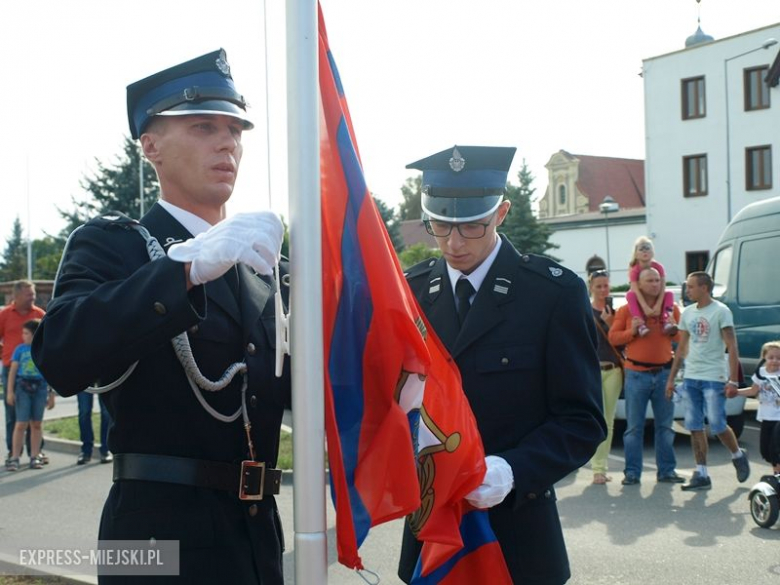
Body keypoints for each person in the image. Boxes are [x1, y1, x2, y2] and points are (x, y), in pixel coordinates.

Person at [32, 49, 290, 584]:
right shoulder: (115, 245)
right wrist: (184, 270)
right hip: (151, 538)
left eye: (235, 130)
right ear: (150, 146)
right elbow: (60, 354)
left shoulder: (264, 269)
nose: (227, 143)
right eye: (203, 127)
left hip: (255, 538)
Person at [397, 145, 606, 585]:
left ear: (502, 213)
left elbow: (582, 421)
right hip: (431, 534)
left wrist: (512, 470)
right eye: (440, 225)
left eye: (472, 225)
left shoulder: (551, 295)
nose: (454, 242)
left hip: (519, 535)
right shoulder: (409, 294)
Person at [667, 271, 749, 491]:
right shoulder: (688, 313)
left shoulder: (721, 311)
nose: (688, 290)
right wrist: (672, 379)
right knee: (694, 425)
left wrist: (733, 380)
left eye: (691, 286)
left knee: (717, 424)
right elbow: (681, 348)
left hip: (714, 377)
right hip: (692, 377)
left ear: (704, 288)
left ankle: (737, 455)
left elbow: (732, 346)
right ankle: (701, 473)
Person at [608, 267, 685, 485]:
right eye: (649, 280)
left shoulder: (670, 309)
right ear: (639, 285)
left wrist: (674, 330)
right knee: (634, 427)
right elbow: (613, 338)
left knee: (665, 426)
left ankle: (667, 471)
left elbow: (682, 338)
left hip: (664, 373)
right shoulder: (627, 310)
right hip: (636, 374)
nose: (654, 284)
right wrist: (632, 332)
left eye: (657, 280)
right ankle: (632, 473)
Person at [1, 280, 46, 465]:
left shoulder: (39, 315)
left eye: (33, 294)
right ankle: (14, 453)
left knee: (35, 419)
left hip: (36, 373)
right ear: (16, 296)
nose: (32, 297)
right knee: (13, 415)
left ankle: (36, 453)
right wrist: (5, 354)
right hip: (11, 369)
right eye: (29, 294)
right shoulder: (5, 315)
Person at [587, 269, 624, 485]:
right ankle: (595, 466)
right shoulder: (584, 310)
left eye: (606, 286)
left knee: (608, 421)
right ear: (591, 287)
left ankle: (599, 468)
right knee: (595, 418)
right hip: (591, 370)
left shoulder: (617, 312)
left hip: (613, 370)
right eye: (598, 286)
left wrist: (611, 323)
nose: (603, 290)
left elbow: (623, 342)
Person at [4, 320, 53, 471]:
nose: (23, 336)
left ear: (34, 334)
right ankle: (14, 457)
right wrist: (10, 392)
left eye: (26, 333)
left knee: (36, 424)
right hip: (22, 388)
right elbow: (12, 371)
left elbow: (49, 373)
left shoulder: (43, 350)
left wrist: (51, 394)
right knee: (21, 423)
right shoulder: (19, 350)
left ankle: (35, 456)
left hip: (40, 389)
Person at [736, 341, 780, 475]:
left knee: (776, 449)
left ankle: (777, 475)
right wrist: (735, 392)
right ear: (764, 358)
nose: (775, 361)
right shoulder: (760, 373)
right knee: (765, 451)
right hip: (766, 417)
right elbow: (753, 390)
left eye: (779, 358)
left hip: (778, 418)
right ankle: (776, 473)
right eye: (771, 357)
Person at [625, 236, 676, 338]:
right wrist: (645, 307)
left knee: (669, 294)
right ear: (636, 254)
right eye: (641, 249)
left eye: (647, 248)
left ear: (652, 252)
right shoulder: (634, 270)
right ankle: (640, 325)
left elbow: (662, 287)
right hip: (639, 297)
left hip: (656, 296)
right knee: (630, 295)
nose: (645, 251)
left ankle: (666, 320)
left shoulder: (659, 267)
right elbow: (635, 290)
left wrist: (658, 305)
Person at [76, 391, 112, 465]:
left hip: (104, 383)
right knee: (84, 411)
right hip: (83, 384)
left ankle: (106, 449)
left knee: (106, 412)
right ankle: (86, 451)